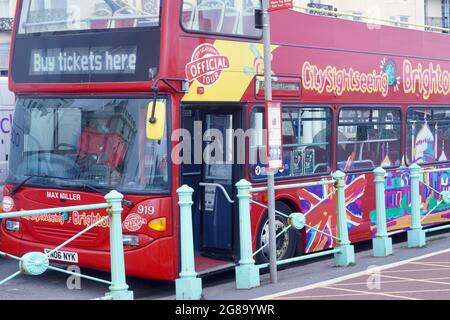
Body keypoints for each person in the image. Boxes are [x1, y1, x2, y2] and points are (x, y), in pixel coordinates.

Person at [76, 115, 127, 185]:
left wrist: (115, 172)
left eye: (106, 117)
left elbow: (121, 165)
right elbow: (80, 159)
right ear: (96, 118)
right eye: (101, 116)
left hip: (108, 180)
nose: (103, 120)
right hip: (87, 178)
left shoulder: (118, 138)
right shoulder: (86, 134)